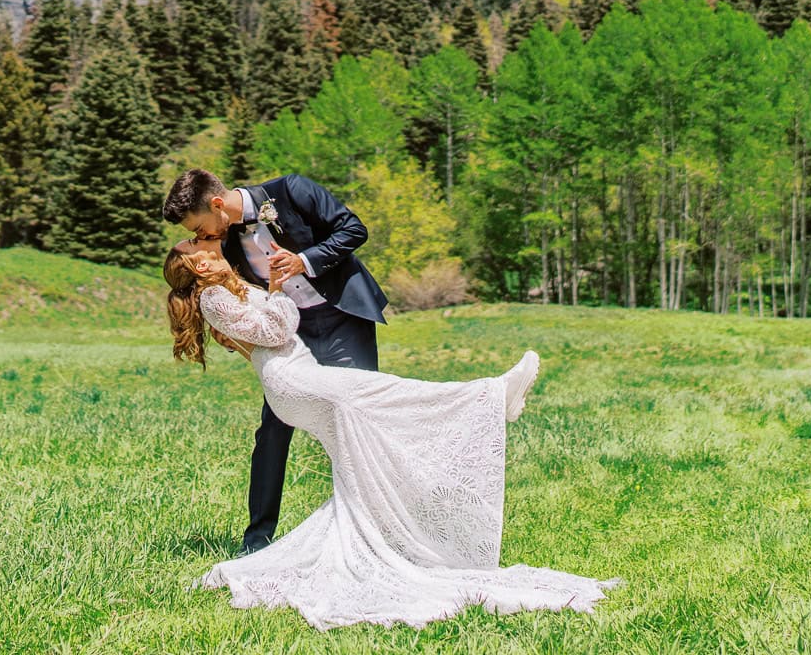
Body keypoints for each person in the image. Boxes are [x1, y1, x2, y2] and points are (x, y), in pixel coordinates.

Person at [163, 240, 619, 630]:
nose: (209, 246)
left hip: (299, 374)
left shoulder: (228, 289)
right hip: (293, 383)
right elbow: (277, 328)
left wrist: (268, 285)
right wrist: (280, 291)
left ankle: (386, 527)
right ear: (199, 267)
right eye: (200, 249)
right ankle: (488, 397)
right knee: (380, 393)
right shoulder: (212, 299)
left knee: (372, 434)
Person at [162, 169, 385, 556]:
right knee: (272, 432)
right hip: (289, 338)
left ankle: (368, 529)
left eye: (199, 228)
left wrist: (303, 260)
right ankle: (257, 540)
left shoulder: (291, 190)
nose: (201, 237)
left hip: (341, 317)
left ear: (217, 205)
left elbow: (353, 229)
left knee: (362, 419)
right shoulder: (223, 240)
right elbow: (227, 290)